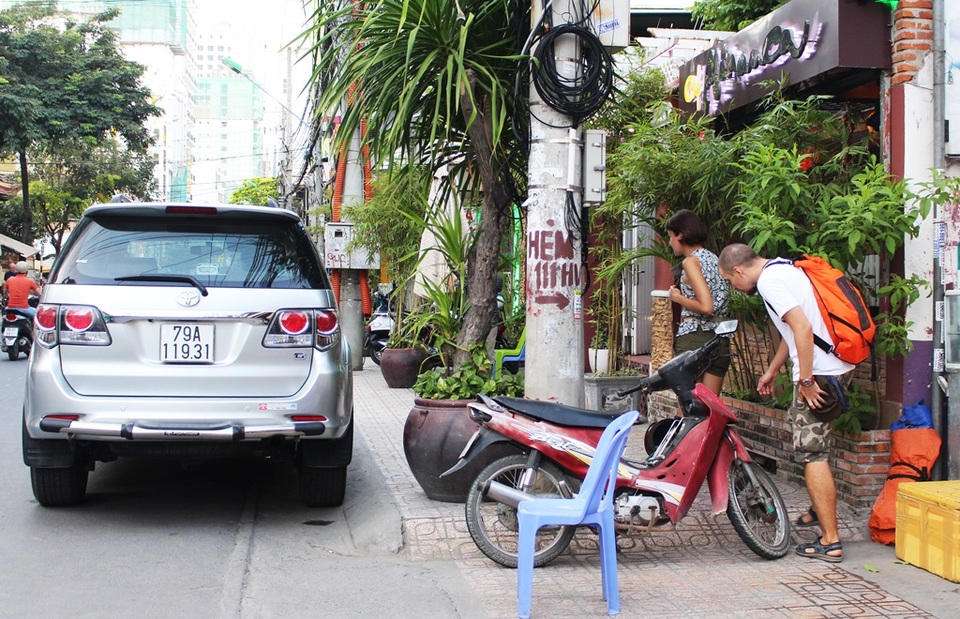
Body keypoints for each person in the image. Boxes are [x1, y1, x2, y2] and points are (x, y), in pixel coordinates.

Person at [718, 243, 851, 563]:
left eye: (730, 280)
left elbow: (803, 328)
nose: (733, 287)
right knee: (815, 447)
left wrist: (805, 381)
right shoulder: (784, 267)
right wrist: (773, 369)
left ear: (738, 270)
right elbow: (794, 330)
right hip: (834, 366)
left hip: (819, 374)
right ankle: (819, 510)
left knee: (812, 453)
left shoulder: (769, 282)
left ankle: (830, 541)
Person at [665, 209, 731, 396]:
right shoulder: (714, 259)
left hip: (696, 338)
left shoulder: (691, 262)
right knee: (710, 406)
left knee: (689, 406)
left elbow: (706, 307)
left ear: (680, 235)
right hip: (720, 340)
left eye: (670, 237)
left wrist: (677, 298)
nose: (670, 242)